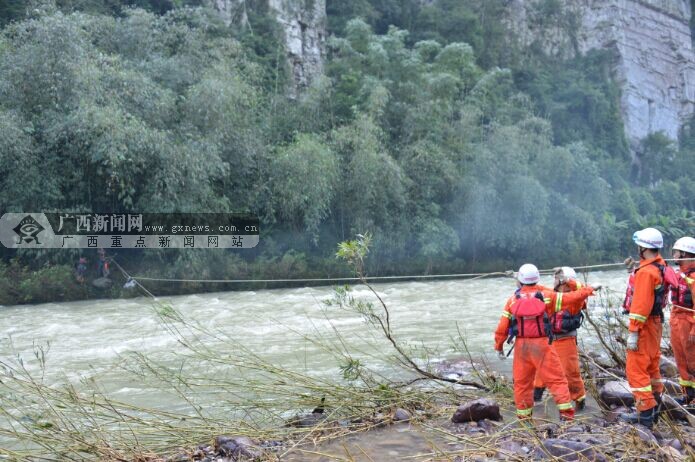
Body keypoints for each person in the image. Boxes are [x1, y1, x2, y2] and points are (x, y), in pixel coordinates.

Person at [494, 263, 598, 422]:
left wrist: (499, 346)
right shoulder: (549, 296)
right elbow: (571, 296)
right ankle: (566, 417)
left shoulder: (513, 300)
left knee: (522, 383)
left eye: (559, 279)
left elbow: (502, 326)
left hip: (523, 346)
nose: (556, 281)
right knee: (557, 380)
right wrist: (590, 289)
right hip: (543, 343)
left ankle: (525, 420)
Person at [619, 227, 677, 428]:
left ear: (643, 247)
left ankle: (645, 413)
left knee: (636, 369)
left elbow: (640, 305)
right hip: (655, 323)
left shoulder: (646, 272)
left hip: (643, 326)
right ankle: (655, 407)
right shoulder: (660, 266)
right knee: (652, 366)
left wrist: (633, 331)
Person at [533, 266, 590, 411]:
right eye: (555, 278)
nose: (554, 281)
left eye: (558, 279)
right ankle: (536, 398)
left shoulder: (576, 298)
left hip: (566, 340)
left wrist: (568, 281)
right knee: (540, 371)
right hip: (549, 339)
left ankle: (579, 401)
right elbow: (534, 287)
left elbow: (583, 288)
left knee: (571, 373)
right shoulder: (552, 294)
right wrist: (520, 279)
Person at [669, 237, 695, 405]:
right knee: (681, 359)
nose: (674, 255)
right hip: (676, 319)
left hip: (689, 321)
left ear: (684, 253)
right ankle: (688, 395)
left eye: (676, 252)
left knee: (693, 360)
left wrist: (694, 329)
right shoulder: (678, 274)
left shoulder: (693, 277)